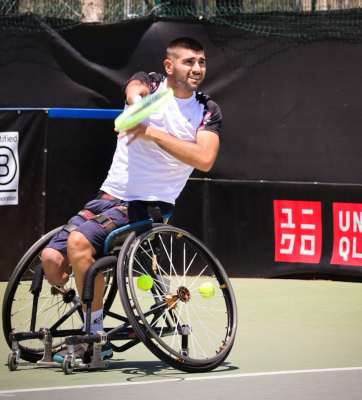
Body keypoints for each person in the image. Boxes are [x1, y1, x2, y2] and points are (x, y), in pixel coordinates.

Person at [41, 37, 222, 363]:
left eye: (201, 62)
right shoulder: (151, 85)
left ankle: (95, 337)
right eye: (189, 61)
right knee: (51, 260)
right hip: (107, 198)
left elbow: (205, 159)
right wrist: (137, 102)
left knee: (80, 243)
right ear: (169, 66)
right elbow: (134, 87)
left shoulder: (207, 110)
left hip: (151, 206)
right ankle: (91, 289)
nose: (197, 68)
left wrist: (150, 132)